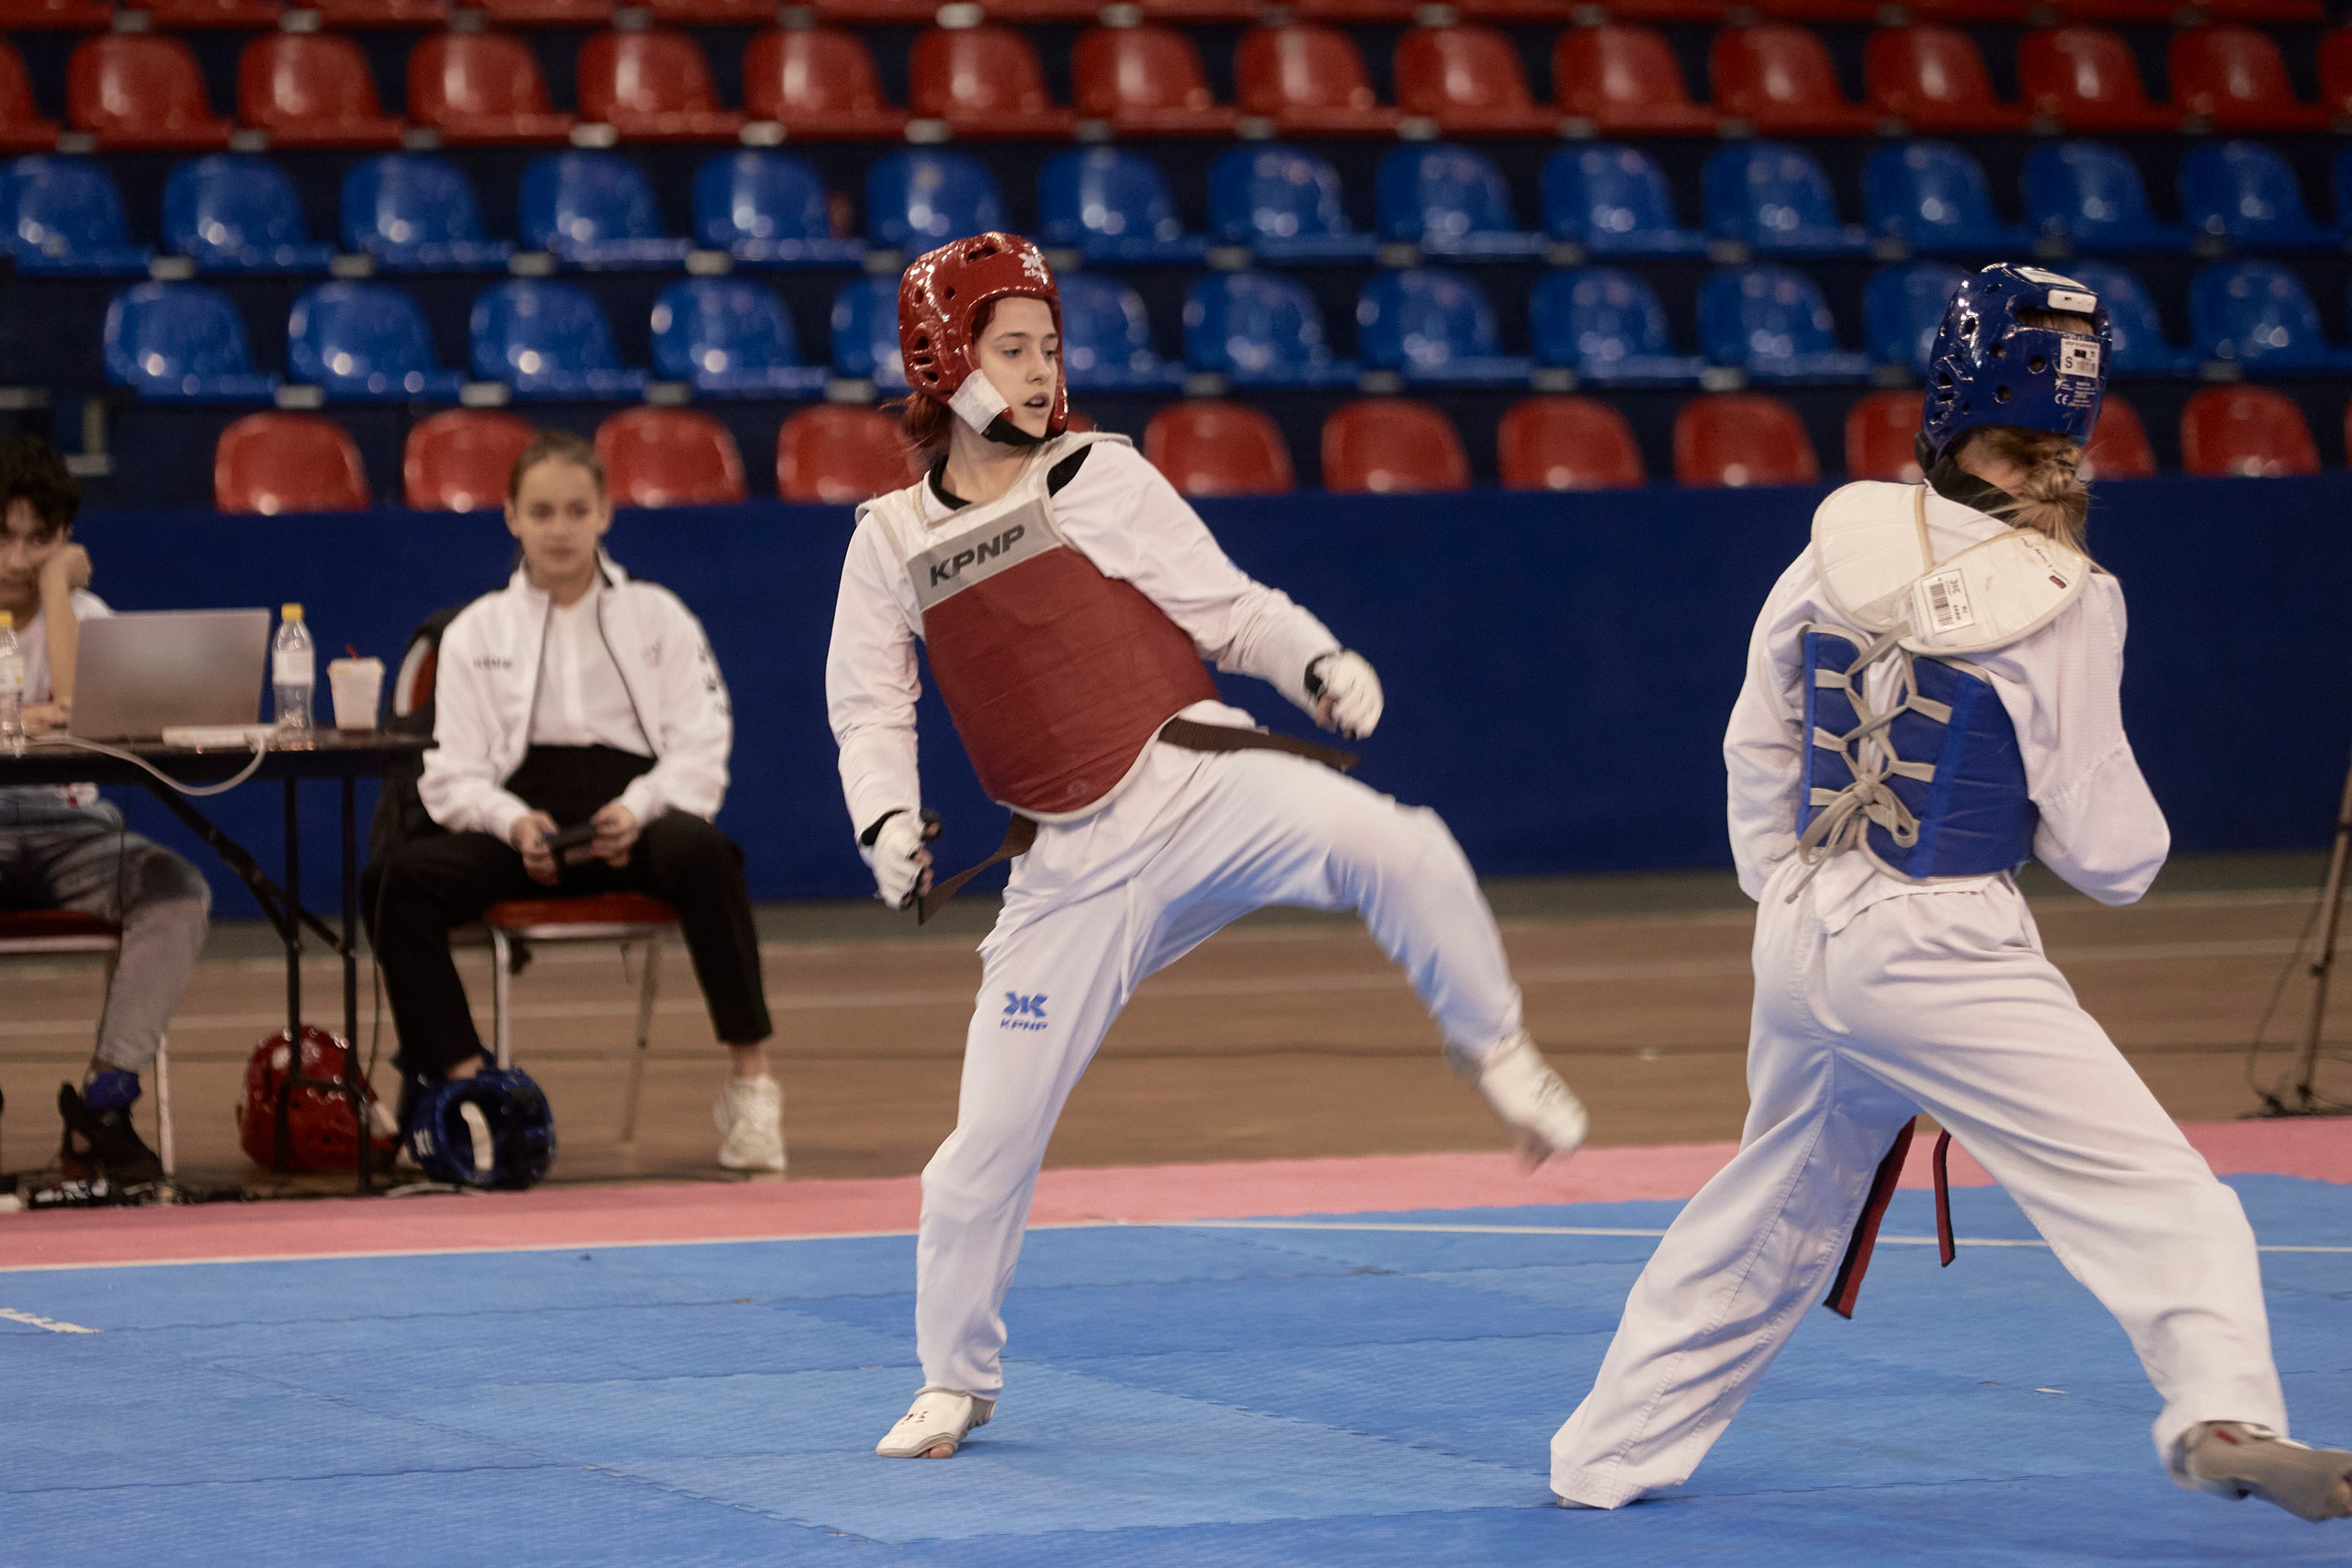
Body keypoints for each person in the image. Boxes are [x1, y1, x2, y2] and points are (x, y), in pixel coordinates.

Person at [1548, 265, 2352, 1524]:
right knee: (2153, 1192)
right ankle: (2221, 1411)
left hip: (1807, 921)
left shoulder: (1832, 541)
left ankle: (1602, 1455)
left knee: (1773, 1202)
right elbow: (2110, 849)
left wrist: (1795, 893)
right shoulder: (2070, 597)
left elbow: (1756, 745)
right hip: (1942, 940)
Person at [826, 232, 1592, 1462]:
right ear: (943, 359)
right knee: (980, 1151)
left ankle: (1497, 1047)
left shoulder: (1099, 474)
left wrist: (1318, 661)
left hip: (1194, 778)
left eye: (1048, 347)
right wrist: (883, 820)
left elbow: (1228, 609)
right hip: (1063, 871)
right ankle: (952, 1379)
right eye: (1009, 347)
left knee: (1397, 843)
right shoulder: (888, 539)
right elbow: (871, 705)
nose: (1037, 370)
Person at [365, 430, 783, 1172]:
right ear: (511, 516)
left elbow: (702, 742)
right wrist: (512, 820)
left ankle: (753, 1088)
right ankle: (470, 1089)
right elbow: (449, 772)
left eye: (576, 510)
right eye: (542, 511)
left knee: (710, 856)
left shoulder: (660, 615)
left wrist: (641, 806)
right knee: (399, 882)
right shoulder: (473, 632)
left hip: (631, 815)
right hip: (521, 823)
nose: (560, 528)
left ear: (605, 515)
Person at [0, 434, 210, 1191]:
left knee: (176, 890)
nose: (20, 558)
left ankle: (105, 1100)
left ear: (66, 540)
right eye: (5, 536)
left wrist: (59, 592)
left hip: (73, 829)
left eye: (41, 540)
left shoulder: (88, 611)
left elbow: (87, 715)